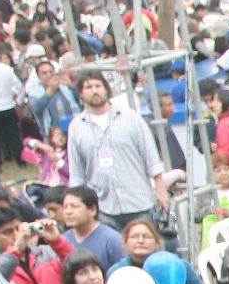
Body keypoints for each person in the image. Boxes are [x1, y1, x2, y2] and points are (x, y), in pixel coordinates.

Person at [65, 69, 165, 229]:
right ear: (81, 95)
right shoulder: (76, 127)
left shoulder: (131, 118)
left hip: (140, 203)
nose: (95, 90)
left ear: (106, 89)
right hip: (103, 208)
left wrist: (161, 191)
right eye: (89, 87)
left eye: (98, 85)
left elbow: (151, 158)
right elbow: (77, 174)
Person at [60, 185, 124, 264]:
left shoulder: (113, 240)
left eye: (74, 206)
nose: (68, 212)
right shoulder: (63, 239)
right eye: (65, 207)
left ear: (93, 210)